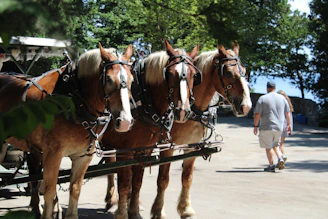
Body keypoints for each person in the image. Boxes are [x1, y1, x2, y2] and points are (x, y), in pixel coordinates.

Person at [253, 81, 292, 172]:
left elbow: (258, 114)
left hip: (267, 126)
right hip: (279, 127)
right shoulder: (282, 98)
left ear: (267, 88)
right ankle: (280, 158)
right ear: (275, 88)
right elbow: (287, 113)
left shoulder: (262, 98)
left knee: (268, 146)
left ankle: (271, 165)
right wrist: (289, 124)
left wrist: (255, 126)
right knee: (276, 144)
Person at [277, 90, 294, 163]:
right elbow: (289, 118)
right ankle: (281, 157)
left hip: (279, 126)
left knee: (275, 144)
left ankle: (281, 157)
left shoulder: (279, 105)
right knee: (281, 144)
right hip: (286, 126)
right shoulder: (288, 106)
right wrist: (289, 126)